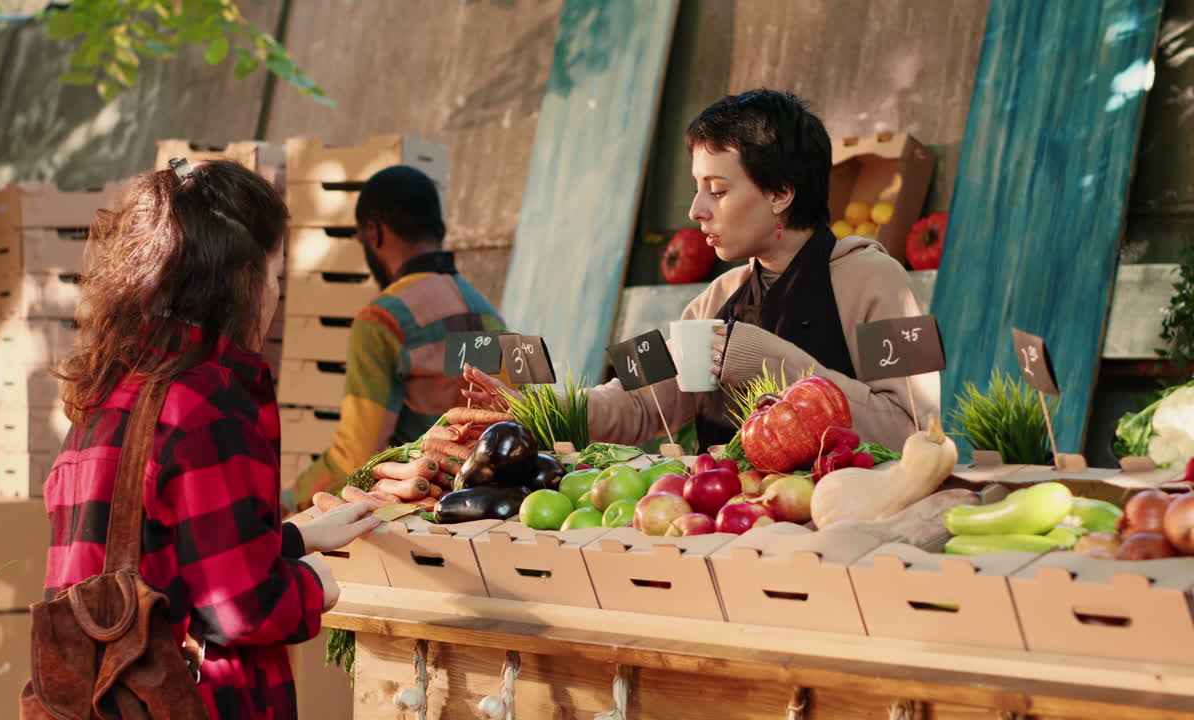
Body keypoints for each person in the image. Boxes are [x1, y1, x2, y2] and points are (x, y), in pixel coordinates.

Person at [45, 159, 381, 720]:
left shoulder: (109, 393)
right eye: (275, 275)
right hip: (199, 701)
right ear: (243, 280)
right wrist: (315, 586)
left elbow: (159, 562)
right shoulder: (210, 401)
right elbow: (241, 610)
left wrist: (294, 539)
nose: (276, 296)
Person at [465, 89, 938, 452]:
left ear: (780, 193)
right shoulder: (713, 300)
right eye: (697, 187)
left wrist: (773, 361)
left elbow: (915, 429)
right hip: (720, 533)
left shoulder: (883, 282)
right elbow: (634, 398)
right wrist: (541, 408)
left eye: (717, 189)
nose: (695, 210)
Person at [291, 165, 505, 507]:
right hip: (488, 504)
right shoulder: (487, 313)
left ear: (374, 232)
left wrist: (291, 499)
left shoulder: (382, 320)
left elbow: (355, 456)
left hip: (416, 512)